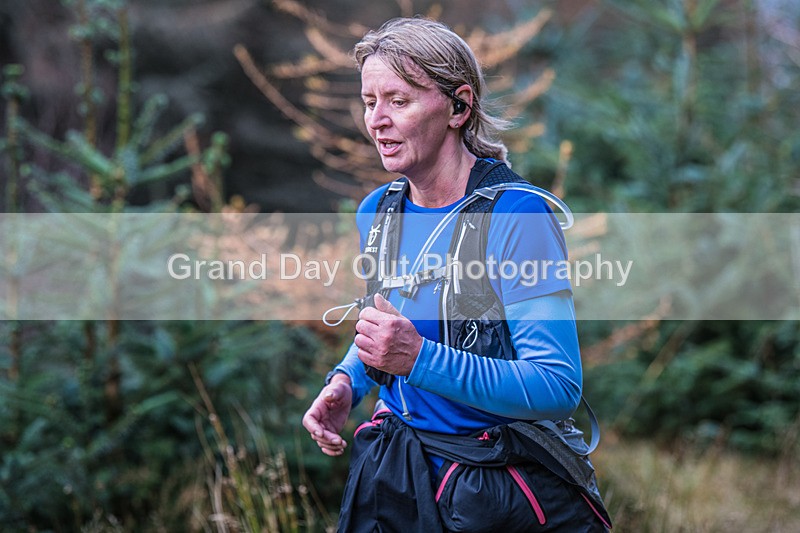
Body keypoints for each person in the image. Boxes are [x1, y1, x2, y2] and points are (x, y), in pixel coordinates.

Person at [302, 17, 611, 532]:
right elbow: (390, 329)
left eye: (398, 101)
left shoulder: (516, 217)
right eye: (369, 101)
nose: (377, 119)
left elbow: (557, 384)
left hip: (497, 489)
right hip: (395, 474)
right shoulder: (380, 212)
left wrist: (419, 359)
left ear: (459, 106)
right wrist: (347, 382)